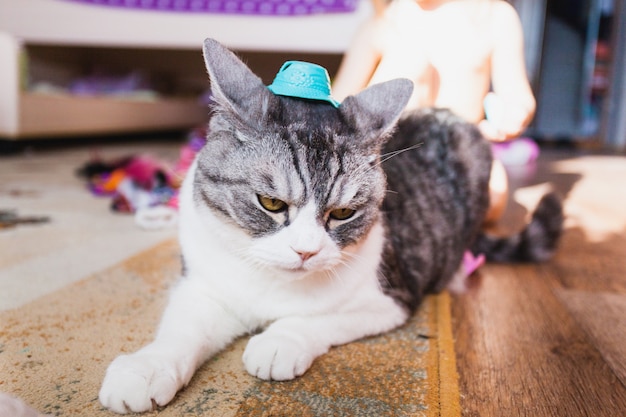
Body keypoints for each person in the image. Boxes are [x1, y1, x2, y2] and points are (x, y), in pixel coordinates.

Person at [332, 0, 536, 224]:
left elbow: (517, 94)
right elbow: (338, 106)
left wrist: (514, 115)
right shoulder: (382, 22)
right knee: (412, 64)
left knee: (494, 195)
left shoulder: (493, 16)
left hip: (458, 154)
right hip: (395, 158)